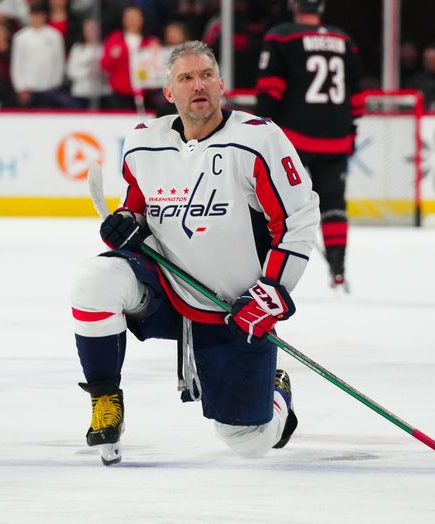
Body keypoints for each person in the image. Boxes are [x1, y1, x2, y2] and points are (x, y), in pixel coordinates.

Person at [71, 40, 319, 465]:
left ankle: (276, 392)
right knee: (95, 281)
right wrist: (126, 225)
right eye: (185, 78)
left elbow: (298, 218)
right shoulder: (144, 142)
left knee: (249, 441)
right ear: (169, 93)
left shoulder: (258, 140)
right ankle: (105, 401)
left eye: (205, 75)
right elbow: (138, 209)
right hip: (167, 290)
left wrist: (271, 294)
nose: (197, 85)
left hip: (232, 308)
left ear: (222, 85)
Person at [254, 0, 362, 291]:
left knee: (273, 203)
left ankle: (268, 267)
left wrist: (258, 129)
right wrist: (350, 131)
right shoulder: (343, 40)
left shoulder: (281, 36)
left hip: (293, 138)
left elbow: (270, 90)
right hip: (336, 137)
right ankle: (338, 271)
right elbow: (357, 95)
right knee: (334, 204)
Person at [100, 4, 160, 110]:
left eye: (135, 17)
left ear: (142, 19)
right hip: (120, 93)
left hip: (145, 92)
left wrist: (156, 51)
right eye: (129, 17)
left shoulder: (150, 41)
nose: (132, 20)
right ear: (123, 20)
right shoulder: (115, 38)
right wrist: (114, 55)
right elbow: (104, 65)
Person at [10, 2, 67, 108]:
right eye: (34, 15)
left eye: (39, 15)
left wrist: (55, 84)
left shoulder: (54, 36)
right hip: (28, 88)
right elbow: (17, 63)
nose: (36, 18)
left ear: (44, 16)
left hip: (49, 88)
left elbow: (58, 62)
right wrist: (20, 87)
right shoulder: (21, 37)